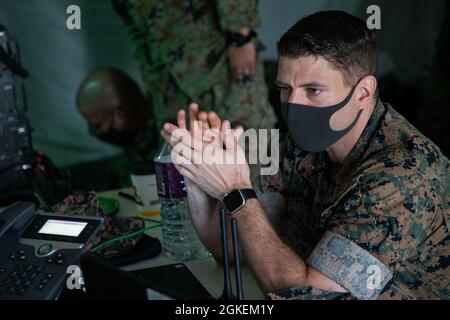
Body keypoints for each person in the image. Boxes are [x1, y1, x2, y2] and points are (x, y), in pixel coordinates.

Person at [161, 11, 450, 300]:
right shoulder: (299, 146)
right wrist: (198, 171)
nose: (294, 106)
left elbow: (306, 297)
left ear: (363, 92)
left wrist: (236, 191)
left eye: (313, 90)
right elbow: (232, 250)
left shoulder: (400, 175)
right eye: (285, 89)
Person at [111, 0, 276, 133]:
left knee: (253, 152)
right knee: (183, 165)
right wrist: (150, 76)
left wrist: (241, 37)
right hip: (168, 85)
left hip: (221, 65)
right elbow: (132, 25)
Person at [76, 67, 156, 187]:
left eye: (98, 125)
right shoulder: (134, 140)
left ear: (120, 113)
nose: (97, 132)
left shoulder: (166, 135)